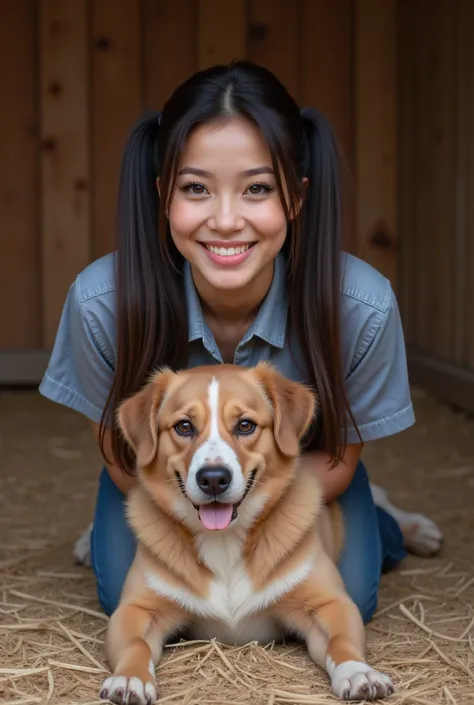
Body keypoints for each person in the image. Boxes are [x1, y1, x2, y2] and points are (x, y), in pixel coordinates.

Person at [39, 61, 442, 622]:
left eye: (257, 188)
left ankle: (379, 523)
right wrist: (205, 509)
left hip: (307, 477)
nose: (226, 220)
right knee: (121, 599)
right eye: (196, 189)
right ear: (162, 195)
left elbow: (342, 460)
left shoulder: (361, 304)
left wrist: (243, 510)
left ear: (297, 198)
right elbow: (120, 459)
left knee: (354, 594)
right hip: (162, 485)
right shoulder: (99, 300)